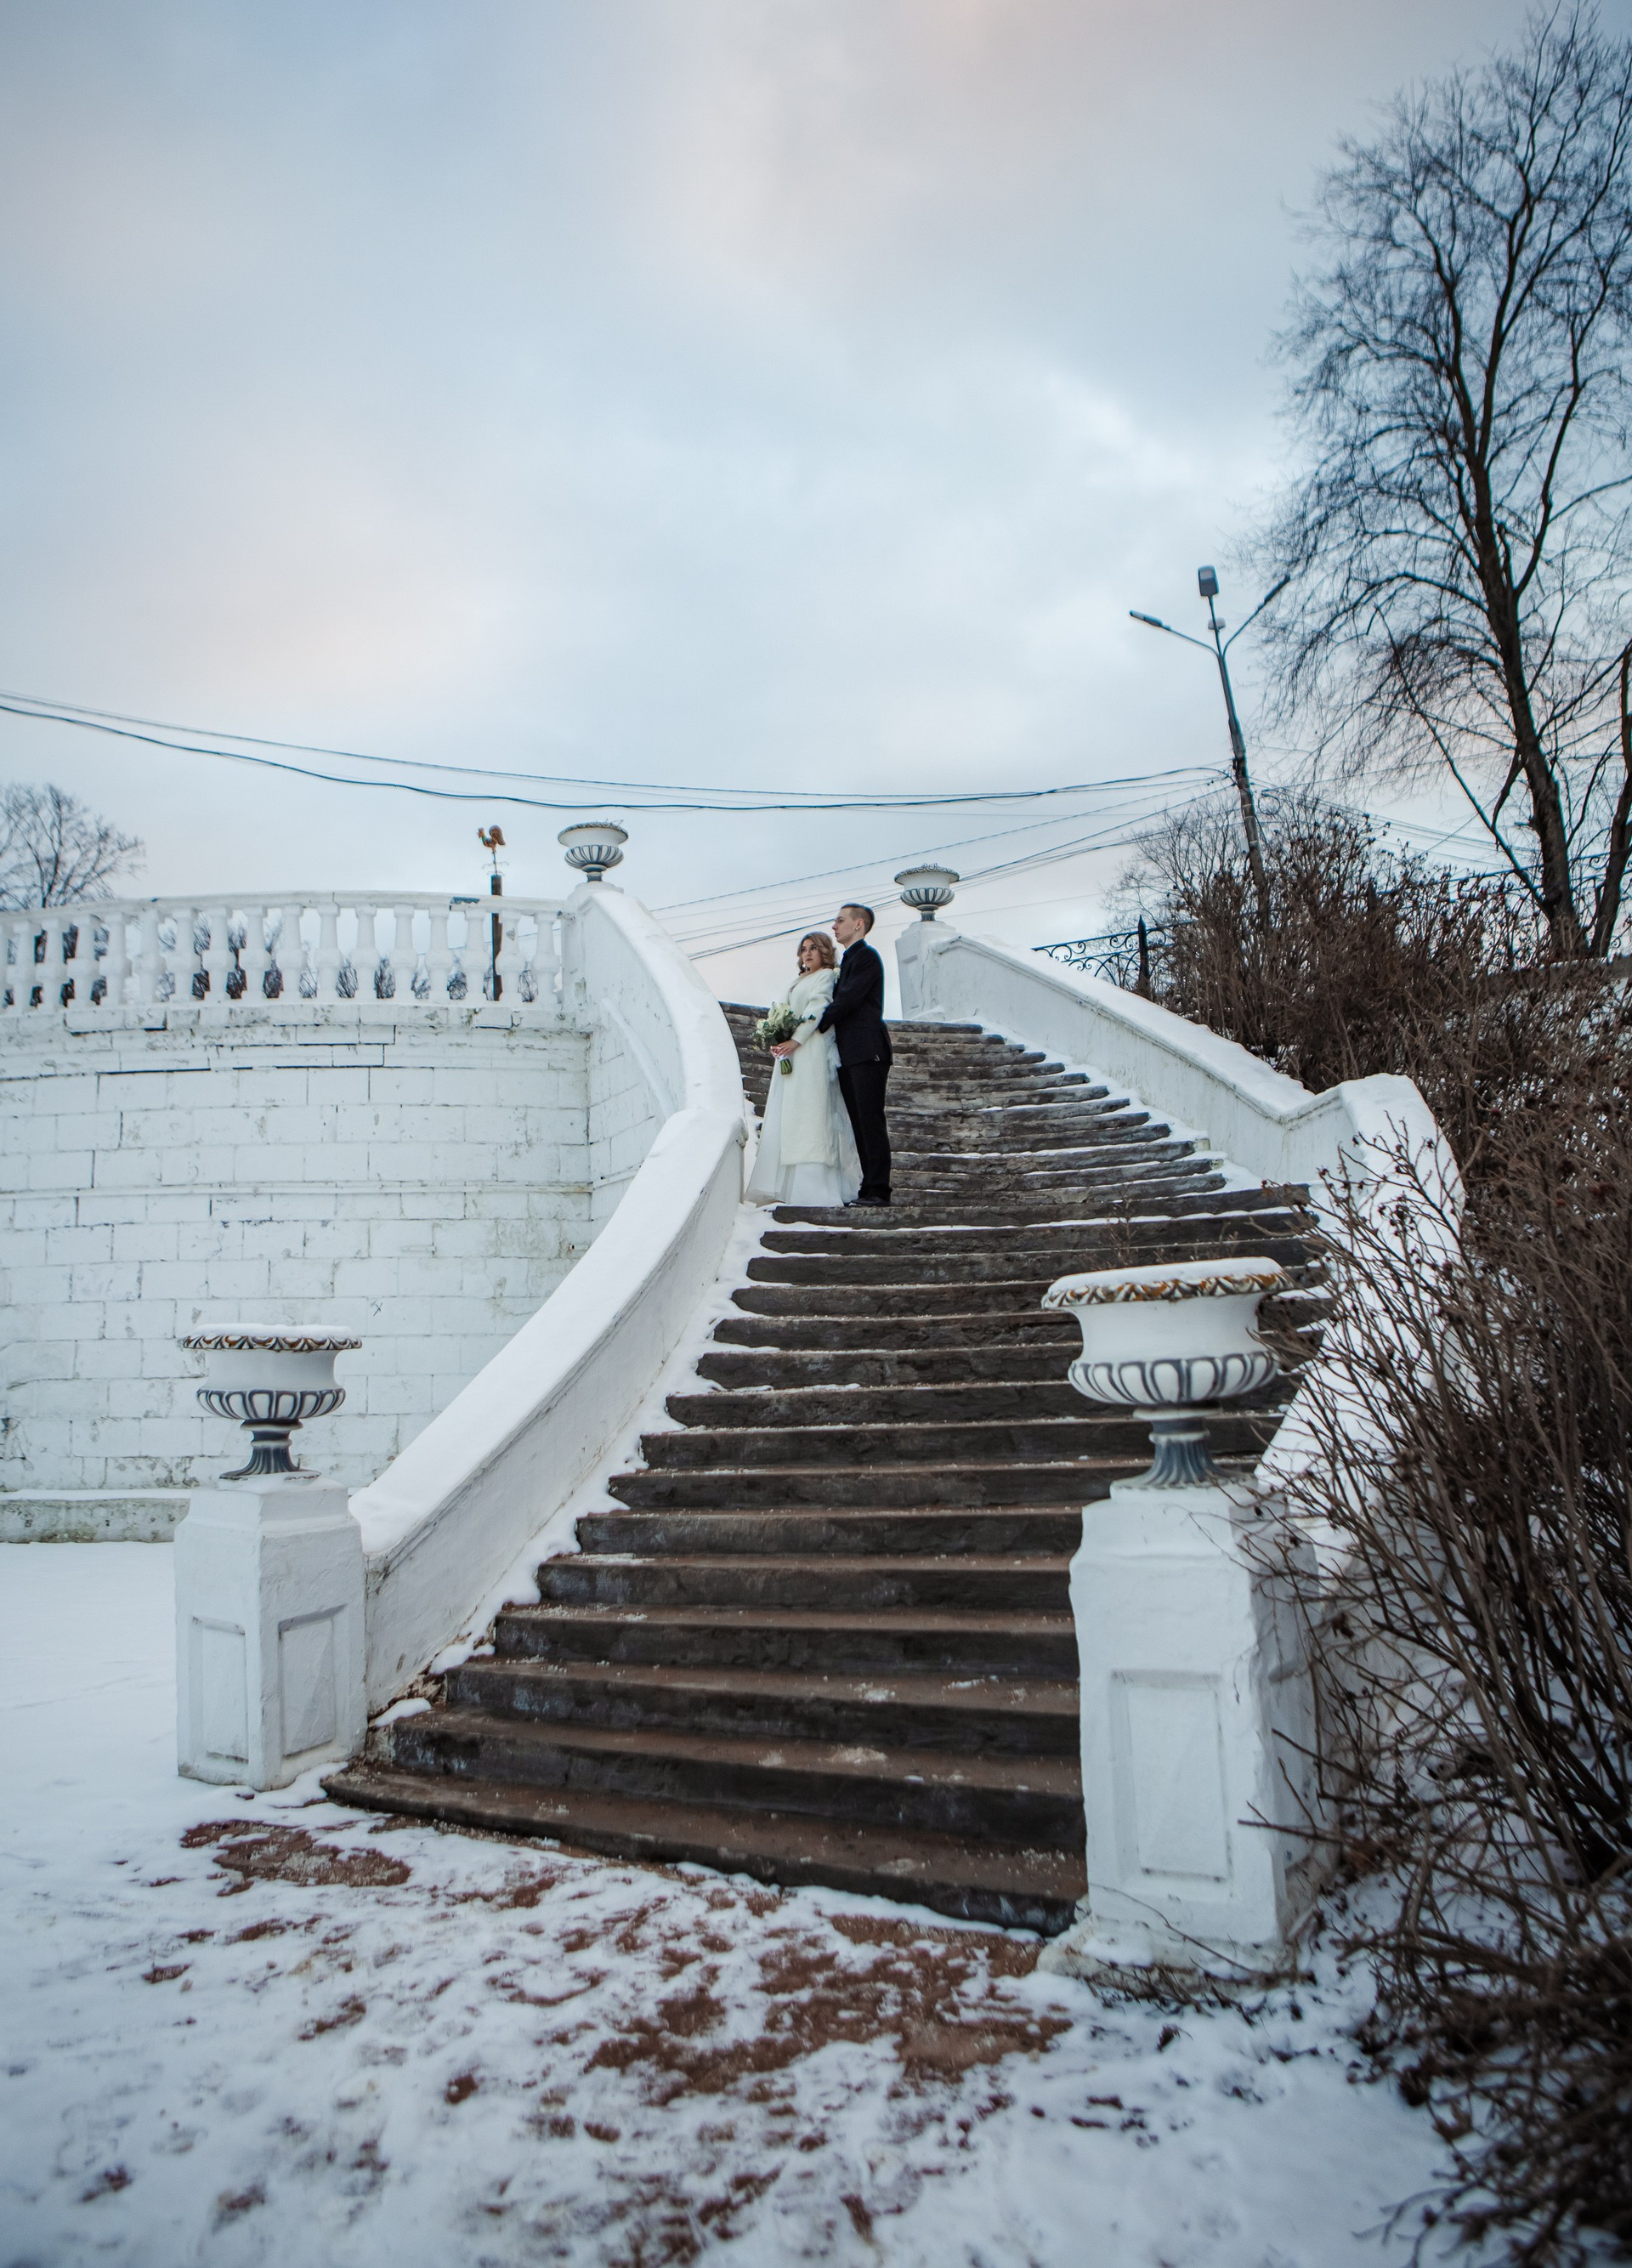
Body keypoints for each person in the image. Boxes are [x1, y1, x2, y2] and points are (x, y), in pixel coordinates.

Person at [744, 931, 863, 1207]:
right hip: (791, 1054)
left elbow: (817, 1009)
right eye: (803, 949)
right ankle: (783, 1185)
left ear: (824, 951)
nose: (807, 953)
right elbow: (784, 1012)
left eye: (813, 948)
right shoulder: (797, 981)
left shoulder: (827, 976)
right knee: (790, 1113)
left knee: (810, 1112)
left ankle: (813, 1186)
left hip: (811, 1050)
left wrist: (796, 1040)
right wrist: (776, 1037)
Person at [814, 902, 892, 1206]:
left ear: (858, 925)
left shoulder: (867, 957)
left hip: (868, 1050)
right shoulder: (848, 960)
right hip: (849, 1053)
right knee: (859, 1122)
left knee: (870, 1120)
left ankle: (879, 1190)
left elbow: (848, 999)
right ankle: (868, 1187)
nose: (834, 926)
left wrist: (813, 1026)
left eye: (840, 920)